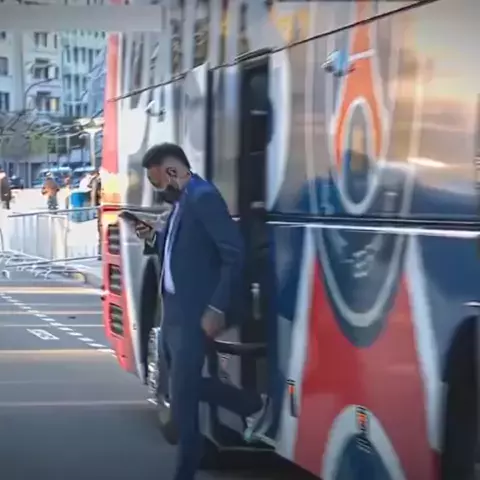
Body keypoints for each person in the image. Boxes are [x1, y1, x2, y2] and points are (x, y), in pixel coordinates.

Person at [137, 143, 264, 480]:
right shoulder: (182, 203)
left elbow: (233, 253)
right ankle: (246, 403)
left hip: (195, 316)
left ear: (171, 170)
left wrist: (216, 306)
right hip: (173, 313)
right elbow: (172, 250)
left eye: (156, 180)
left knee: (183, 404)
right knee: (182, 394)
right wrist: (144, 232)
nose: (156, 188)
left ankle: (187, 470)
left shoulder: (204, 197)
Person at [88, 169, 102, 257]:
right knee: (102, 230)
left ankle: (101, 252)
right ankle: (101, 252)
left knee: (102, 230)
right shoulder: (97, 180)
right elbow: (94, 193)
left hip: (101, 207)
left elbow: (93, 194)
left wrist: (94, 207)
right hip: (102, 207)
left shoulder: (97, 180)